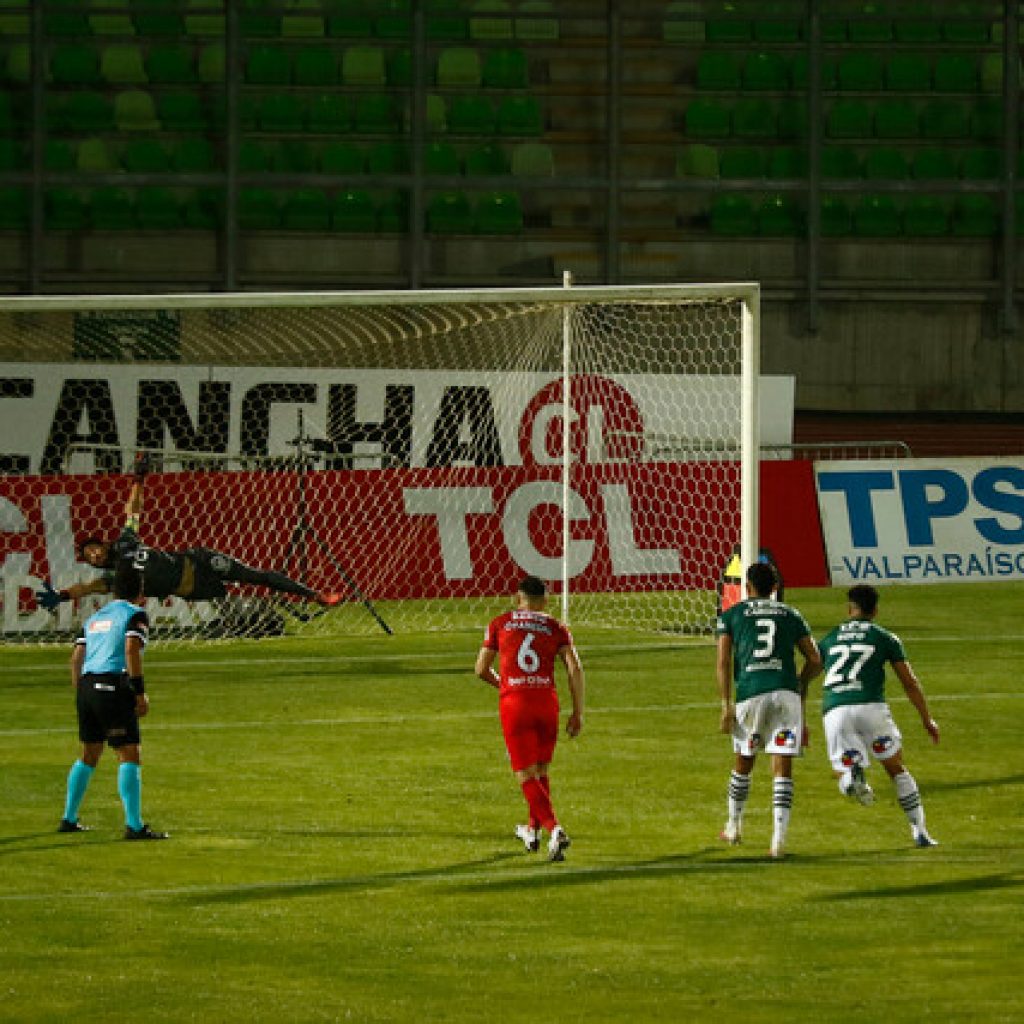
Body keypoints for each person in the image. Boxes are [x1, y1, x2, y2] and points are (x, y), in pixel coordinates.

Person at [37, 454, 342, 612]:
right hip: (194, 590)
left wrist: (139, 479)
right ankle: (266, 615)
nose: (93, 553)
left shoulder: (125, 541)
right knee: (243, 596)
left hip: (197, 561)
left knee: (255, 575)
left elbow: (133, 511)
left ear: (103, 544)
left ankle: (315, 595)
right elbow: (86, 589)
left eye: (93, 547)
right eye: (89, 555)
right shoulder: (113, 578)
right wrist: (62, 596)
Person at [817, 584, 940, 848]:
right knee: (896, 768)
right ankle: (920, 832)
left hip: (836, 710)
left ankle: (853, 778)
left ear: (849, 609)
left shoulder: (830, 638)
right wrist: (926, 719)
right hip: (871, 709)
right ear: (875, 610)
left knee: (842, 772)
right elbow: (910, 682)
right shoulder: (885, 637)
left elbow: (812, 667)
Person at [716, 560, 822, 859]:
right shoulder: (791, 614)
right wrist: (799, 684)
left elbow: (723, 662)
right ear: (775, 588)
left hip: (751, 693)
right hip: (785, 694)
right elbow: (815, 659)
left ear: (747, 588)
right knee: (783, 766)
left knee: (744, 760)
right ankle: (778, 841)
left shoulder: (732, 614)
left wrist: (726, 705)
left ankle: (734, 826)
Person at [475, 576, 584, 862]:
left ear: (517, 599)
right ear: (546, 601)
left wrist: (505, 685)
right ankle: (531, 831)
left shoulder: (500, 623)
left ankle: (554, 829)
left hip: (516, 703)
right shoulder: (556, 627)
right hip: (547, 702)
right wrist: (578, 711)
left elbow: (480, 669)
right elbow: (575, 669)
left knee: (525, 774)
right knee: (540, 772)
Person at [59, 561, 168, 840]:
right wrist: (139, 691)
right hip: (113, 685)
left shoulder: (95, 618)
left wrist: (82, 691)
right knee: (128, 753)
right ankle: (134, 825)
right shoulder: (135, 615)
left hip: (86, 687)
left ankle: (69, 818)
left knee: (89, 753)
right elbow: (131, 649)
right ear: (141, 591)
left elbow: (76, 658)